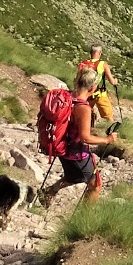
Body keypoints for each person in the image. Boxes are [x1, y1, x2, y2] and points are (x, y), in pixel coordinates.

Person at [39, 66, 117, 207]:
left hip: (61, 147)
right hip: (76, 153)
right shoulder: (83, 108)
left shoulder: (68, 97)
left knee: (74, 176)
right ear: (92, 87)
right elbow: (85, 138)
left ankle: (49, 191)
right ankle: (84, 219)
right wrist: (107, 140)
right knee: (95, 185)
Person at [78, 45, 119, 131]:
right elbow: (111, 81)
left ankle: (87, 130)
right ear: (99, 53)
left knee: (87, 112)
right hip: (99, 94)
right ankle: (112, 133)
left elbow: (78, 79)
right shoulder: (103, 64)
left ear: (90, 52)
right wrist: (115, 81)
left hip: (86, 94)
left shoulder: (83, 64)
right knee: (108, 116)